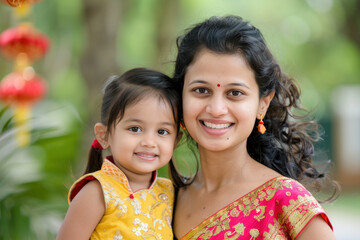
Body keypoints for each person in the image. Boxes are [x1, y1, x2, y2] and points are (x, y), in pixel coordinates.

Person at [170, 16, 338, 240]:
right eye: (201, 90)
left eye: (235, 93)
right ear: (180, 97)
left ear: (262, 104)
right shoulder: (165, 198)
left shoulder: (286, 201)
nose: (217, 109)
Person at [56, 68, 181, 240]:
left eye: (162, 131)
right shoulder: (97, 192)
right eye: (135, 129)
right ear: (104, 135)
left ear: (176, 140)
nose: (149, 142)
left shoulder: (169, 192)